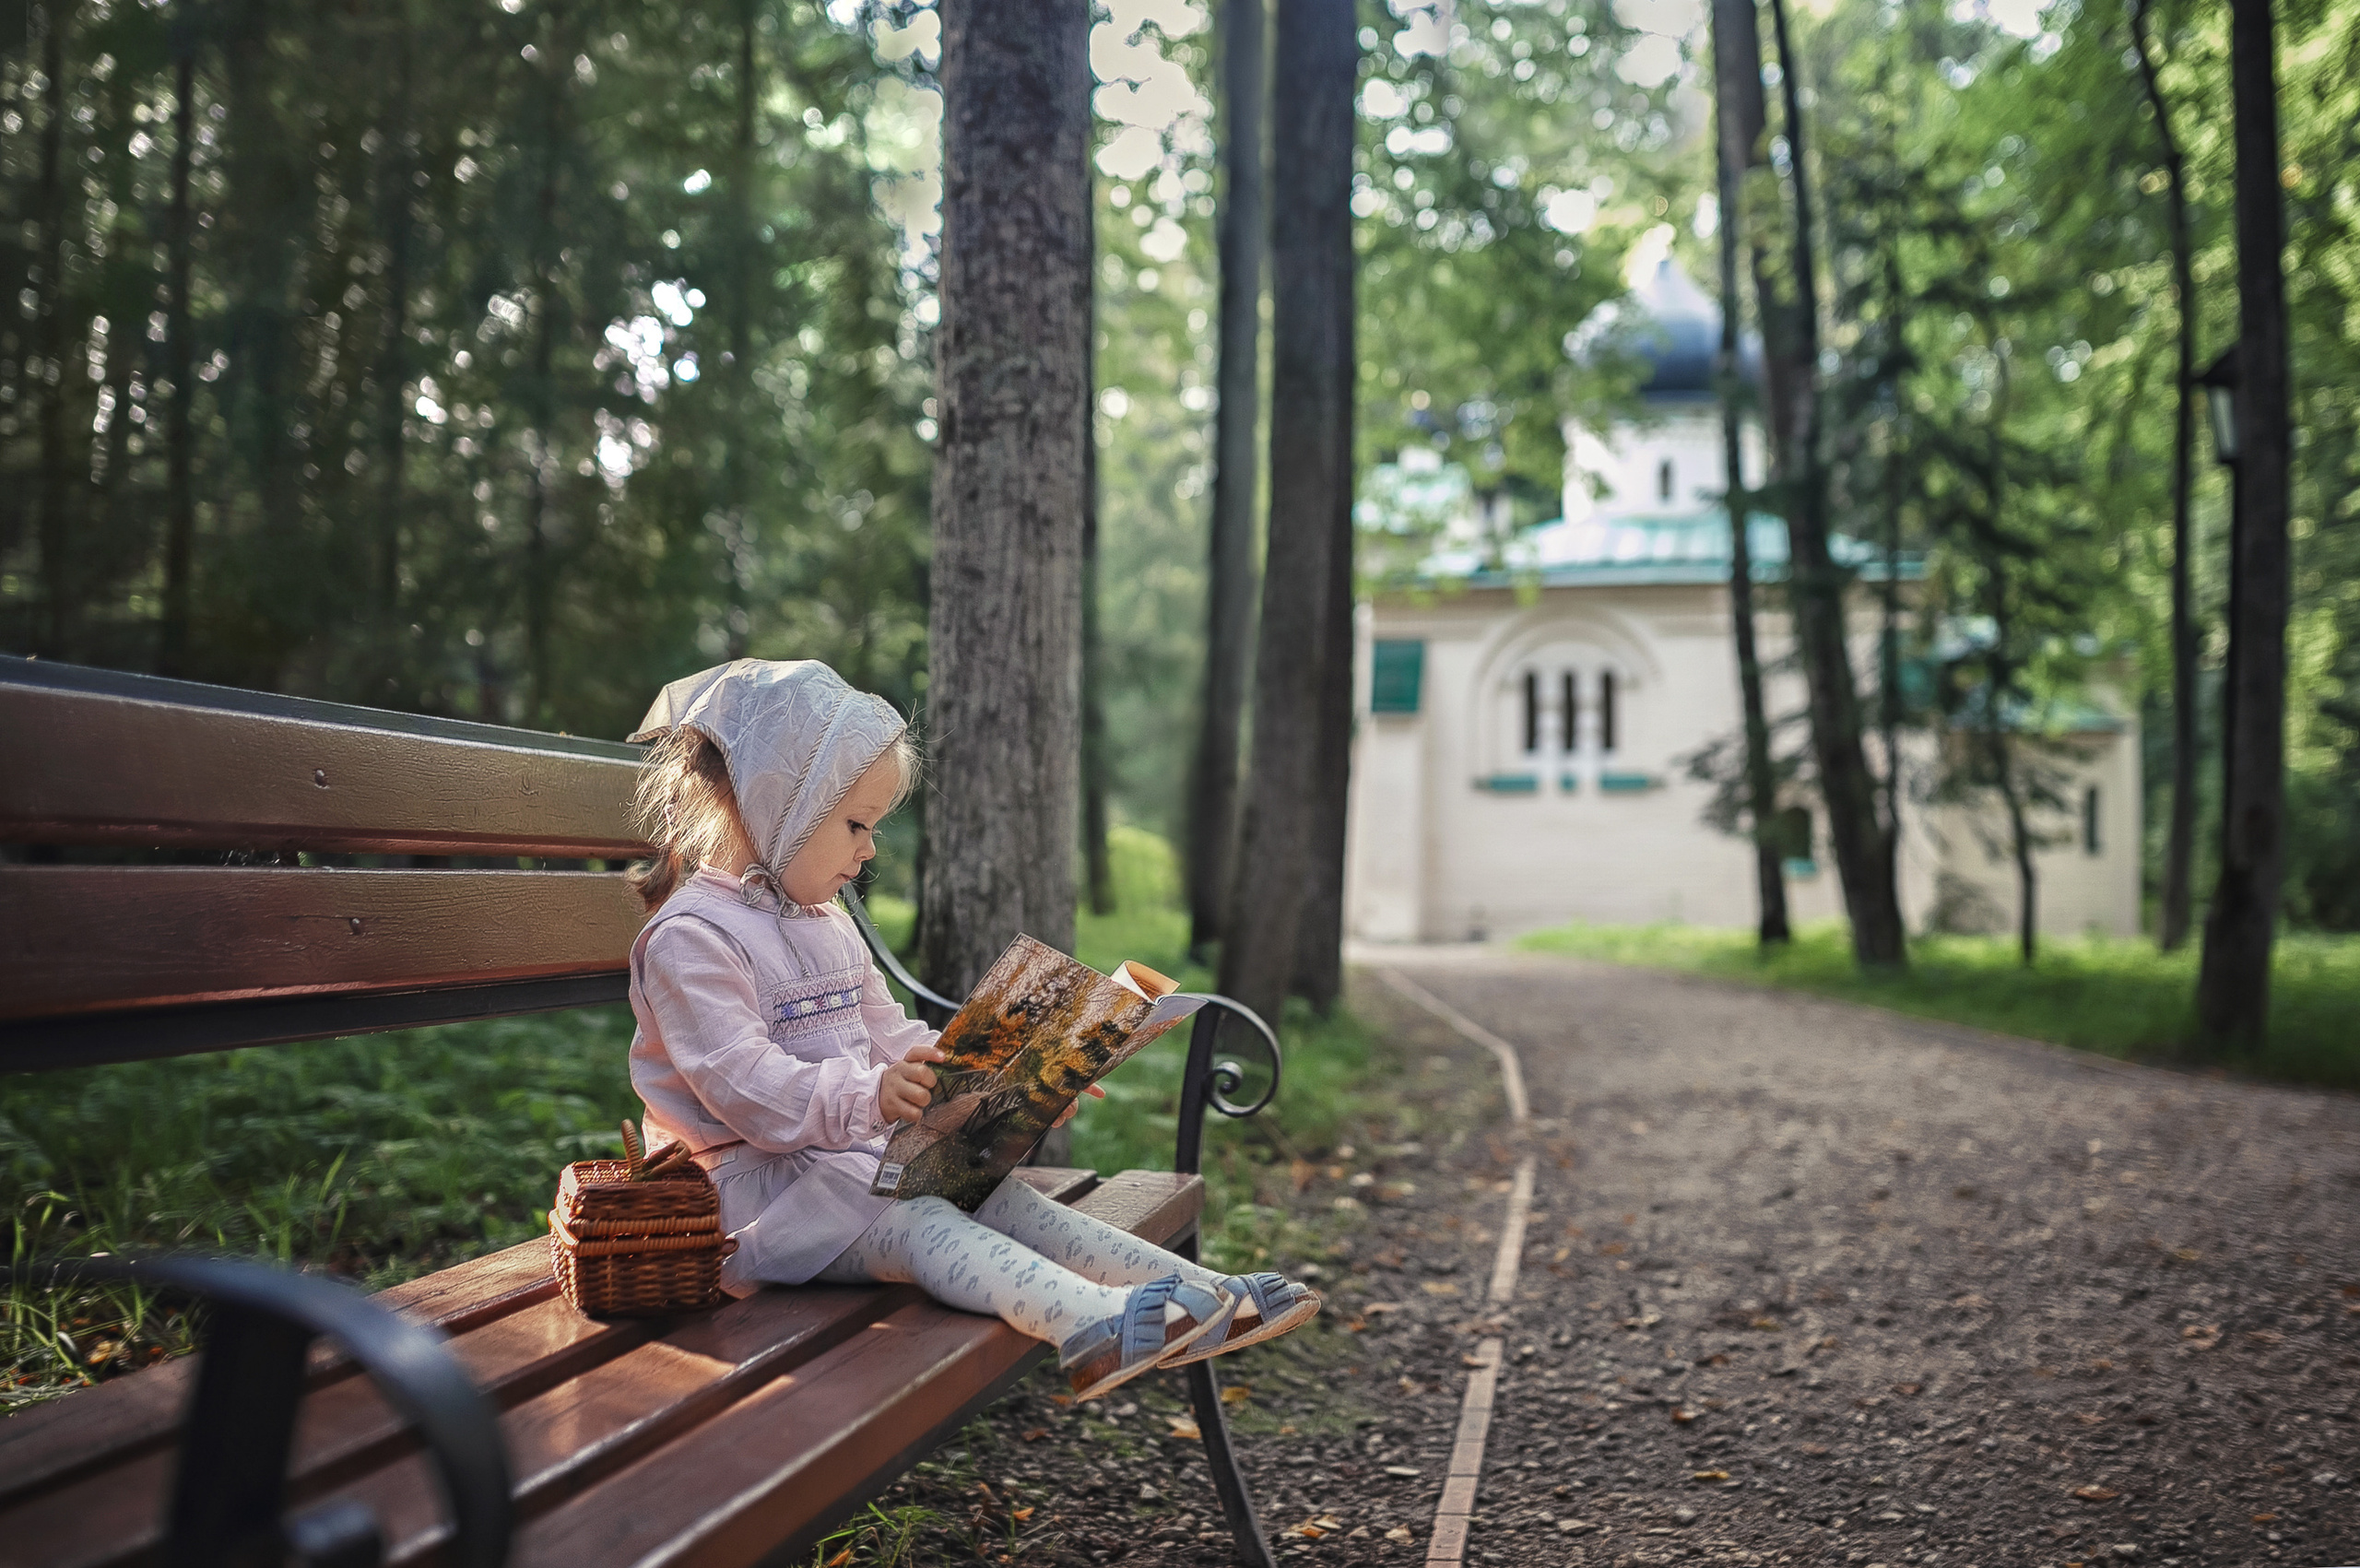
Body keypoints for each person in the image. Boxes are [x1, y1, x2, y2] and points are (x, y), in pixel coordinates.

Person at [622, 659, 1319, 1400]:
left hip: (847, 1168)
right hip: (759, 1201)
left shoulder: (826, 922)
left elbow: (893, 1036)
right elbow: (745, 1089)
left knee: (1005, 1198)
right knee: (925, 1220)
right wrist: (874, 1097)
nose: (870, 849)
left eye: (875, 827)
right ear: (776, 806)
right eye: (856, 824)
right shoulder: (691, 937)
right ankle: (1092, 1323)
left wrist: (1015, 1081)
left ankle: (1203, 1295)